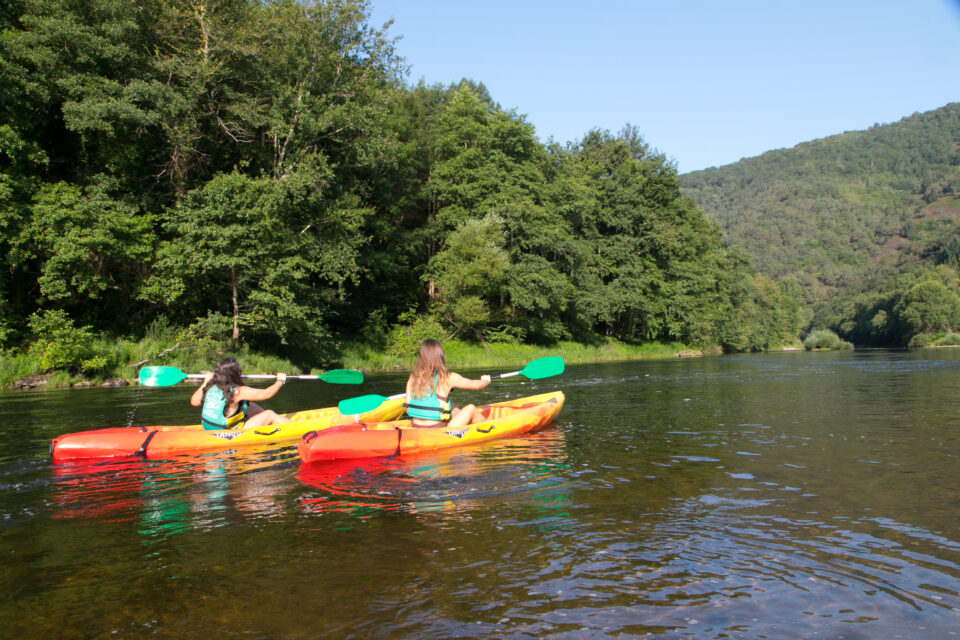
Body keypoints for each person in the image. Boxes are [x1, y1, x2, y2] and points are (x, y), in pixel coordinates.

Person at [405, 339, 491, 428]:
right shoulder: (448, 377)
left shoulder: (413, 377)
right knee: (471, 408)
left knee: (449, 404)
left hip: (415, 425)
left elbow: (407, 408)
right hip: (438, 428)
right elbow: (477, 385)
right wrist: (486, 380)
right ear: (440, 356)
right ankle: (491, 428)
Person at [190, 357, 291, 430]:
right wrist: (280, 381)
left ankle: (267, 423)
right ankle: (292, 426)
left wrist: (205, 381)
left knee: (249, 405)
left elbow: (194, 402)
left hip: (208, 426)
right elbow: (267, 393)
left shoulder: (210, 385)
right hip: (224, 430)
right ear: (235, 373)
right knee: (269, 414)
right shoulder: (238, 391)